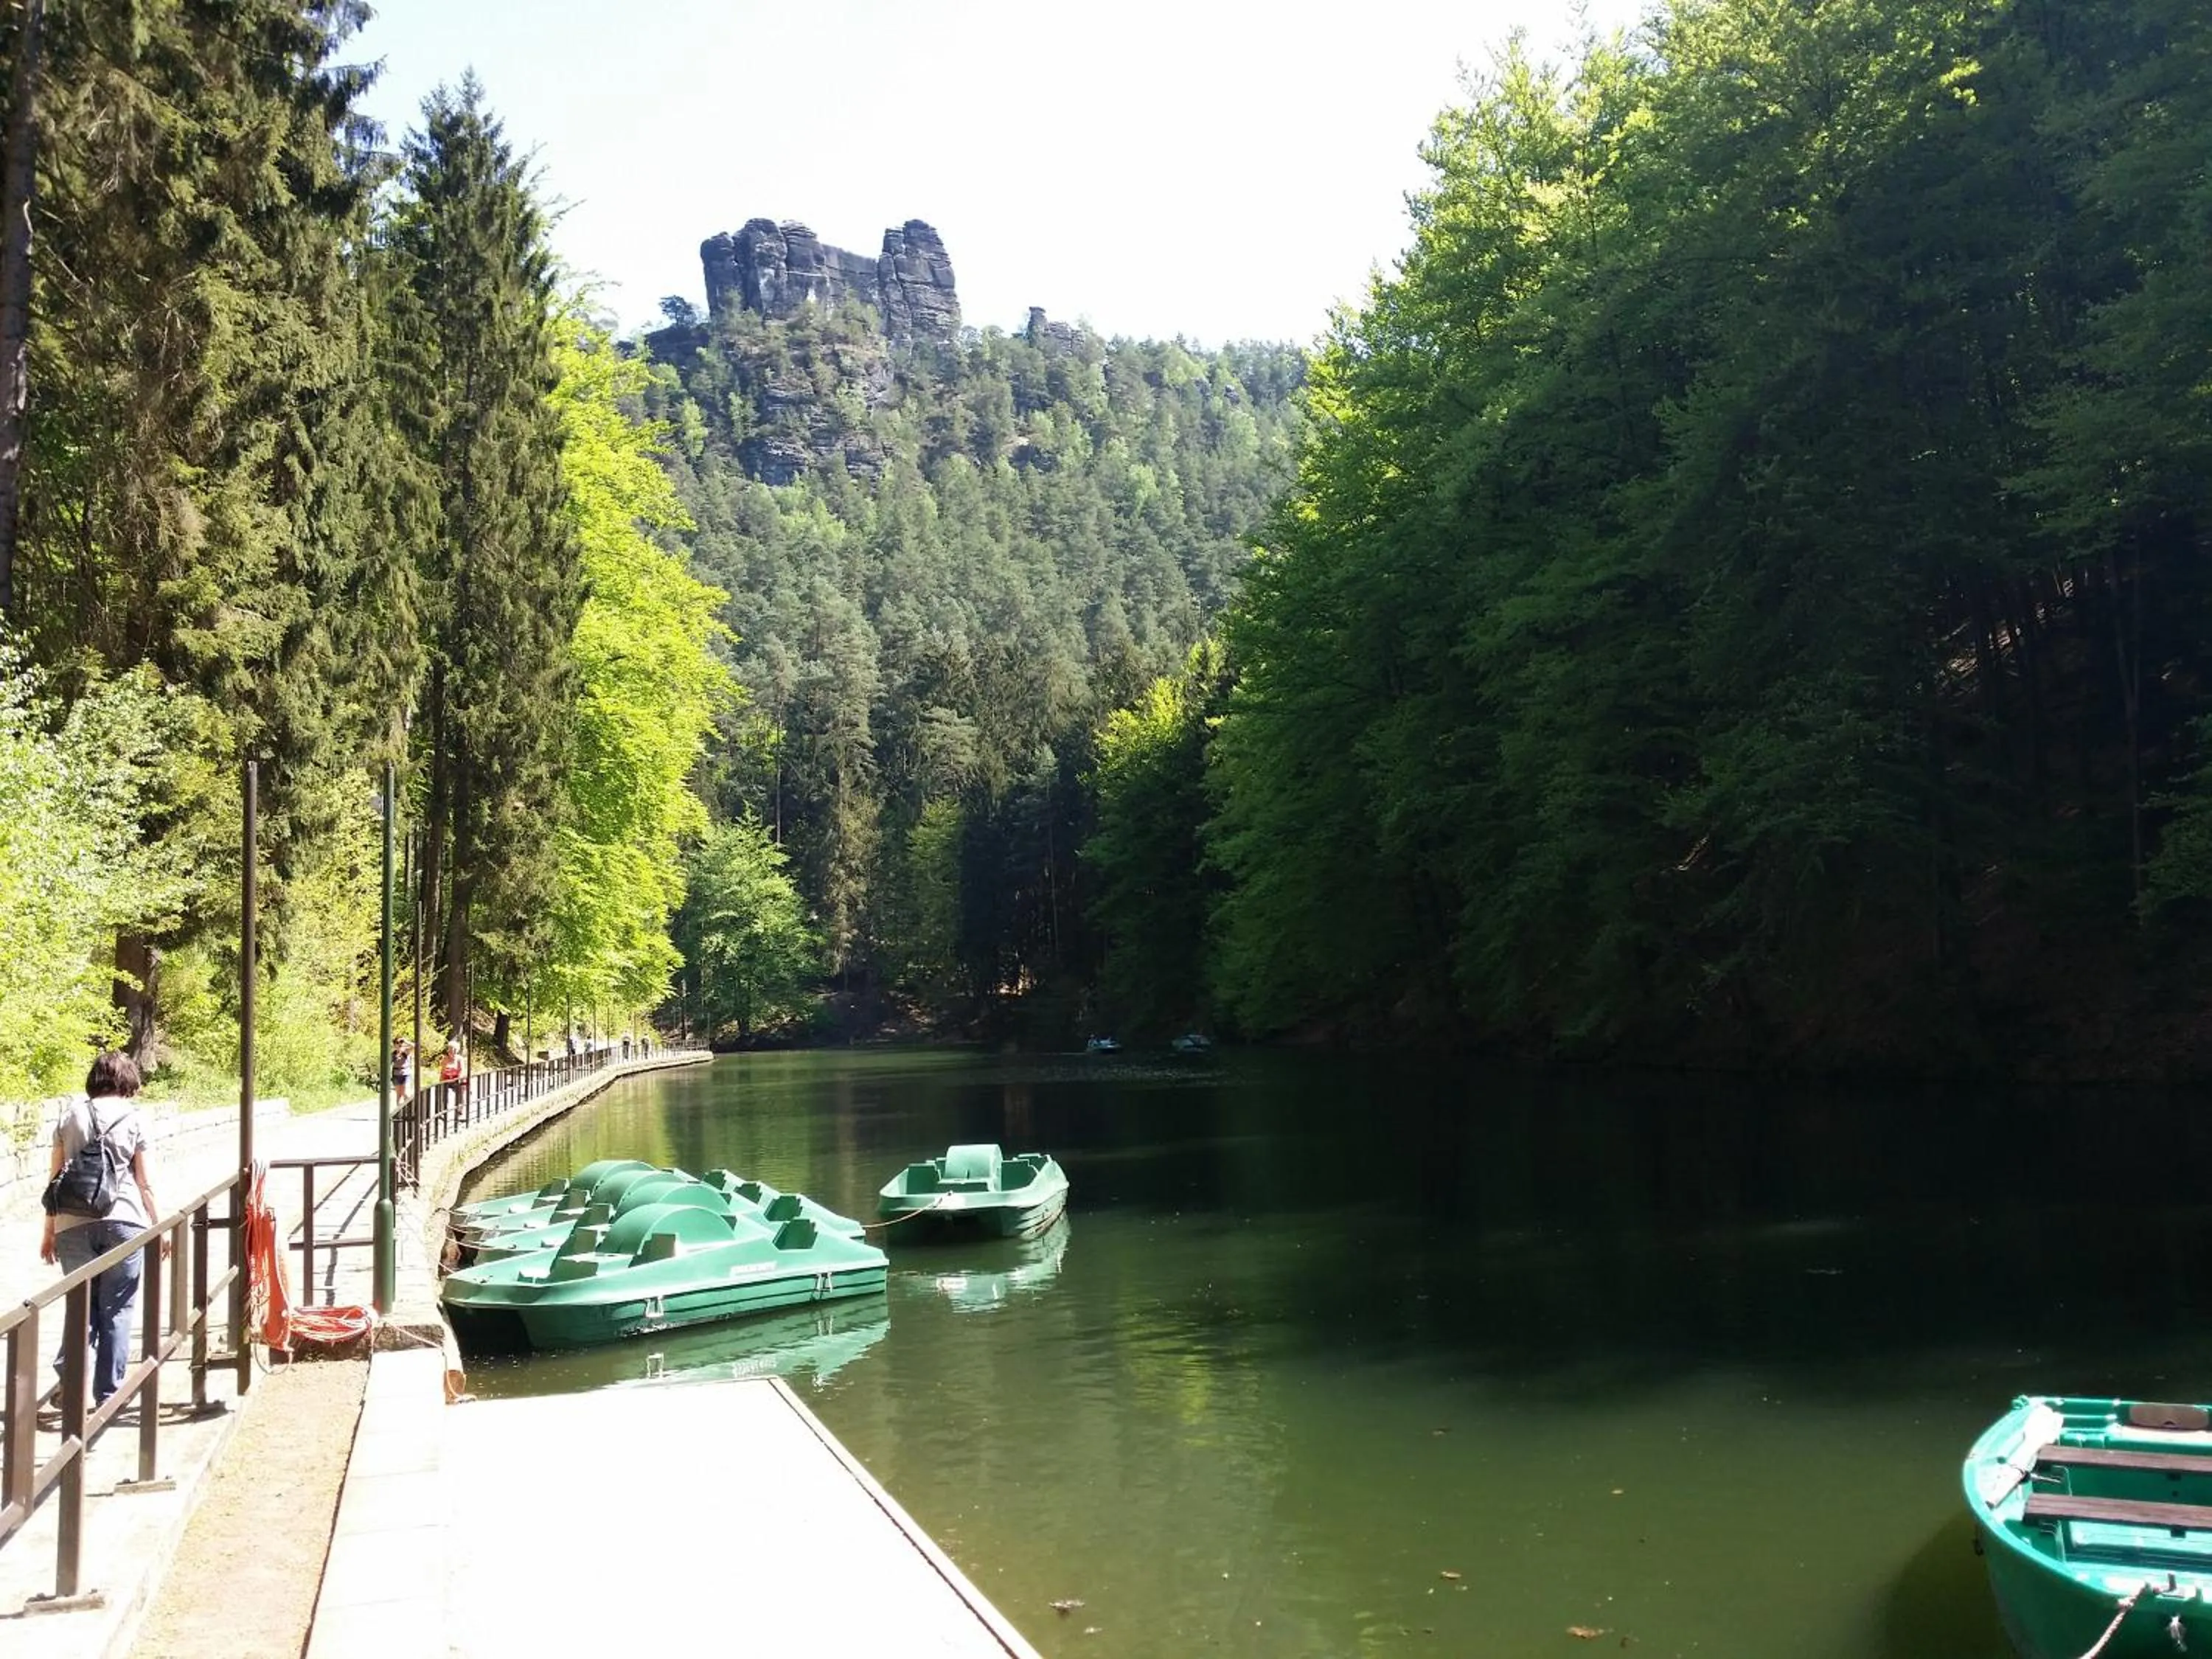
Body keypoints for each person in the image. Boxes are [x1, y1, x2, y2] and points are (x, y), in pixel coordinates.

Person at [38, 1051, 165, 1408]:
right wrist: (160, 1227)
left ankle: (71, 1381)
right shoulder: (136, 1118)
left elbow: (55, 1180)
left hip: (72, 1224)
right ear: (128, 1080)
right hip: (125, 1221)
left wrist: (49, 1231)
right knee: (117, 1309)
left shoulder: (69, 1117)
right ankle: (109, 1394)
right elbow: (146, 1182)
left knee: (80, 1306)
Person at [439, 1038, 467, 1115]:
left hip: (456, 1079)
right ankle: (443, 1110)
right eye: (449, 1049)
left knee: (460, 1092)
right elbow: (442, 1071)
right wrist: (441, 1080)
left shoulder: (459, 1059)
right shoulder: (445, 1059)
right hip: (447, 1079)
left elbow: (462, 1070)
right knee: (443, 1093)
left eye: (452, 1050)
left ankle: (460, 1110)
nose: (450, 1052)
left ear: (456, 1051)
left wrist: (459, 1078)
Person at [392, 1036, 414, 1101]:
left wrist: (405, 1041)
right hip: (396, 1075)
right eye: (397, 1043)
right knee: (399, 1096)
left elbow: (414, 1046)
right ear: (395, 1045)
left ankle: (408, 1109)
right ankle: (400, 1110)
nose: (399, 1044)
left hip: (406, 1074)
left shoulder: (406, 1052)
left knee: (406, 1093)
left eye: (401, 1042)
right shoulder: (393, 1054)